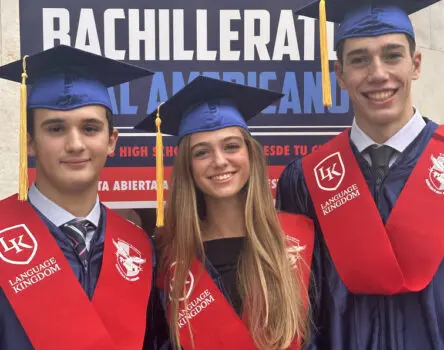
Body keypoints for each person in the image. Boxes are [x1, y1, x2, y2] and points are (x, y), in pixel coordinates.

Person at [277, 0, 444, 349]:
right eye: (360, 59)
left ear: (415, 65)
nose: (378, 73)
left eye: (392, 55)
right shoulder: (305, 181)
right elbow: (297, 306)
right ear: (339, 74)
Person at [135, 76, 315, 350]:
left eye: (231, 146)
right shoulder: (168, 255)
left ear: (250, 155)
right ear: (188, 168)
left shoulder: (297, 239)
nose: (220, 161)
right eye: (202, 153)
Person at [0, 45, 157, 350]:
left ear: (111, 141)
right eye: (56, 128)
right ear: (30, 143)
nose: (75, 144)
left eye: (90, 128)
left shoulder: (138, 247)